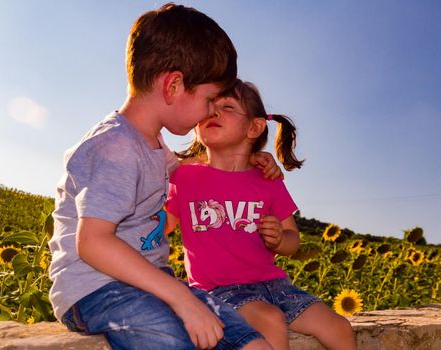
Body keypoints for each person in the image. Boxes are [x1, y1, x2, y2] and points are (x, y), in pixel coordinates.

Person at [48, 4, 277, 350]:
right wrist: (181, 299)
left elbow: (189, 173)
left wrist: (244, 158)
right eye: (210, 100)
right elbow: (92, 242)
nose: (211, 112)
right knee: (175, 339)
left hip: (150, 283)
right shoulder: (116, 147)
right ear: (173, 86)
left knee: (247, 339)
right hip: (96, 287)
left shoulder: (153, 143)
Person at [165, 79, 357, 350]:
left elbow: (293, 241)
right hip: (218, 291)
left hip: (277, 286)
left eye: (227, 106)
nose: (213, 113)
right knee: (270, 320)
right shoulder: (184, 178)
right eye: (208, 107)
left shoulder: (267, 179)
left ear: (254, 127)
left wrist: (279, 239)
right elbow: (161, 226)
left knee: (340, 328)